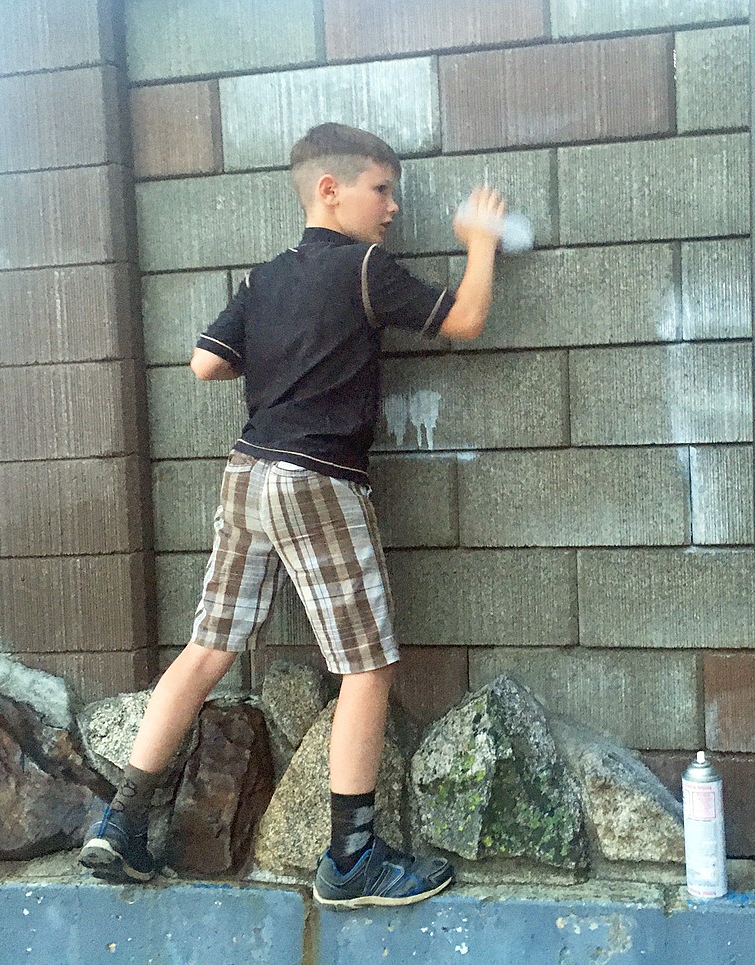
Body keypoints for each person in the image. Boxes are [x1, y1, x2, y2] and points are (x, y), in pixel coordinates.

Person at [79, 122, 506, 908]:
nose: (393, 206)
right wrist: (480, 242)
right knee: (367, 666)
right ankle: (350, 860)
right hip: (319, 479)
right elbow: (467, 318)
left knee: (207, 648)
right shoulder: (367, 267)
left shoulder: (266, 276)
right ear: (330, 189)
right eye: (382, 188)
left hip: (248, 474)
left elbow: (207, 362)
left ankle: (122, 822)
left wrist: (281, 346)